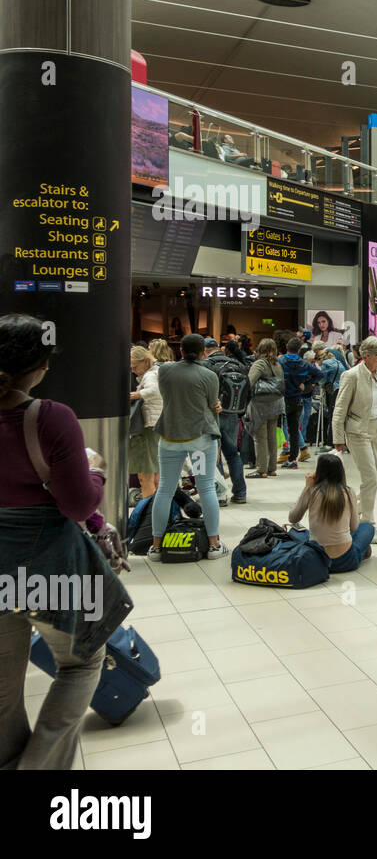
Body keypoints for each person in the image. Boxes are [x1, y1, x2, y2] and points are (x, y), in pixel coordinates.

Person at [0, 314, 110, 769]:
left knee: (4, 685)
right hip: (49, 564)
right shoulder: (49, 417)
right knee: (82, 661)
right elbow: (77, 503)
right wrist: (96, 470)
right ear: (42, 365)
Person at [149, 333, 227, 559]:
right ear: (204, 352)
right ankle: (213, 545)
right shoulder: (209, 375)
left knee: (164, 488)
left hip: (170, 438)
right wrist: (217, 406)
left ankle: (156, 546)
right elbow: (213, 405)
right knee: (206, 488)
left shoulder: (165, 371)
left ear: (180, 350)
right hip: (200, 440)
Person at [333, 336, 377, 543]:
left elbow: (376, 398)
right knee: (369, 477)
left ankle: (350, 511)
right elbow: (340, 408)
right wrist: (338, 438)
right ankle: (368, 524)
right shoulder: (352, 376)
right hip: (358, 431)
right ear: (367, 356)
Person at [287, 453, 374, 572]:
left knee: (296, 531)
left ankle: (358, 549)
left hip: (318, 559)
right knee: (368, 528)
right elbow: (354, 527)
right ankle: (361, 550)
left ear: (318, 471)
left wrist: (307, 488)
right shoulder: (348, 492)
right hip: (346, 560)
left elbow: (293, 518)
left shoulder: (312, 491)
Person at [202, 339, 249, 504]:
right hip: (233, 413)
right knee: (232, 453)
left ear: (204, 350)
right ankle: (240, 492)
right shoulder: (237, 363)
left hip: (213, 413)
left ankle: (221, 494)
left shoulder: (206, 364)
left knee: (215, 454)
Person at [278, 335, 320, 469]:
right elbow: (319, 374)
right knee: (294, 430)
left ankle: (282, 452)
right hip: (297, 399)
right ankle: (292, 459)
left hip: (282, 399)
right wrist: (307, 384)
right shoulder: (304, 364)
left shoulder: (280, 361)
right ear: (299, 349)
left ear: (286, 347)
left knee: (279, 427)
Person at [245, 339, 285, 478]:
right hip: (276, 404)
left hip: (260, 405)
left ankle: (261, 469)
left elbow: (249, 382)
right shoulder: (277, 365)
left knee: (260, 437)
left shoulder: (260, 363)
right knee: (271, 437)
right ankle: (272, 468)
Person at [128, 345, 162, 499]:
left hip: (148, 427)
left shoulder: (150, 375)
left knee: (145, 475)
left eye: (135, 366)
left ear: (146, 361)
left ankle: (147, 512)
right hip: (156, 426)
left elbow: (153, 391)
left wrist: (134, 395)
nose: (133, 370)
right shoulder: (157, 371)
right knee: (155, 472)